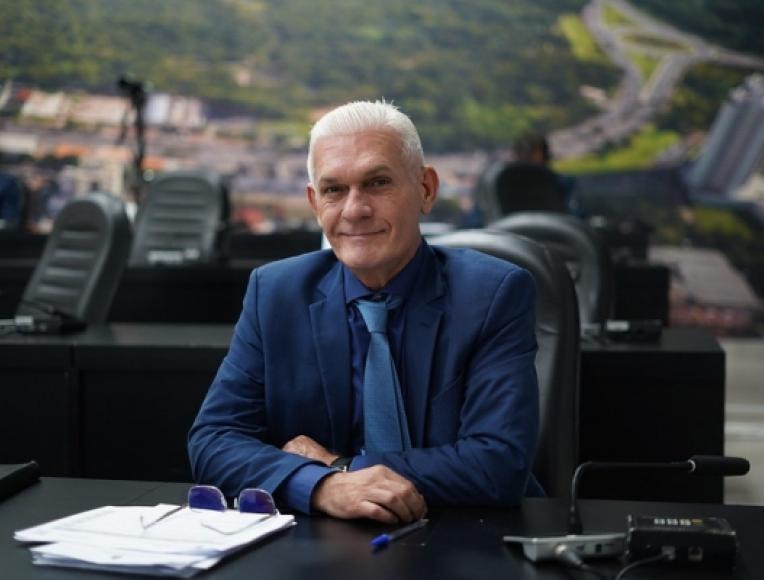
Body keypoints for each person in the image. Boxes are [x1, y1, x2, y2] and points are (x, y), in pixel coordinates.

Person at [188, 100, 541, 524]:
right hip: (316, 546)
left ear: (426, 190)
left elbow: (498, 464)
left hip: (468, 537)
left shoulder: (492, 294)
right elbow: (214, 440)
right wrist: (321, 486)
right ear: (314, 202)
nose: (355, 209)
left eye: (377, 183)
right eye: (334, 190)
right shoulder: (276, 292)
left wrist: (339, 467)